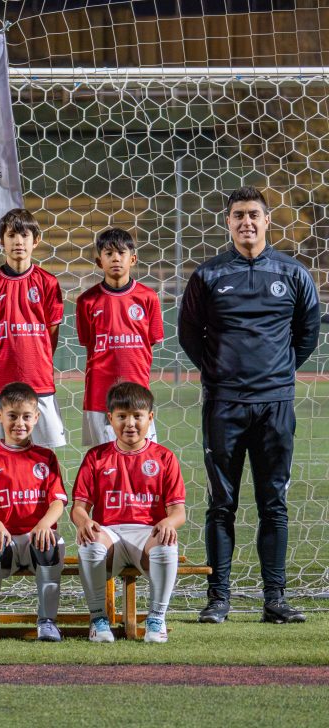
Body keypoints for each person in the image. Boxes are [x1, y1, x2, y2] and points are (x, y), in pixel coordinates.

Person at [179, 185, 320, 625]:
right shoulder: (208, 275)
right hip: (224, 404)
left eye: (254, 214)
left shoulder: (293, 273)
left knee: (273, 503)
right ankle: (218, 599)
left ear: (267, 220)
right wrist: (220, 373)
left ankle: (274, 599)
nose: (246, 222)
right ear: (228, 222)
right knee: (221, 503)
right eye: (238, 215)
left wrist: (278, 373)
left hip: (275, 404)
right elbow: (189, 334)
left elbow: (308, 332)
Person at [71, 382, 185, 643]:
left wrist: (169, 522)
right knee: (89, 541)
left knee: (166, 542)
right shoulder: (96, 457)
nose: (130, 424)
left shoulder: (164, 458)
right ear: (110, 418)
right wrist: (84, 521)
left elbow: (178, 512)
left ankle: (157, 619)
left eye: (137, 416)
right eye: (122, 416)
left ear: (150, 418)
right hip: (110, 535)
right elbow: (78, 508)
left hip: (146, 536)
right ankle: (98, 620)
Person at [0, 382, 67, 642]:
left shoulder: (46, 457)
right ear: (0, 415)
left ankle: (47, 622)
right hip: (5, 541)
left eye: (26, 417)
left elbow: (58, 502)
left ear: (36, 418)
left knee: (49, 544)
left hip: (36, 539)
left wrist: (44, 524)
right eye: (12, 416)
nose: (19, 423)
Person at [0, 208, 66, 449]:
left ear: (35, 241)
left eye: (24, 235)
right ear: (1, 241)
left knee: (44, 453)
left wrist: (38, 357)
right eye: (11, 235)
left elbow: (52, 332)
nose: (18, 241)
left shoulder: (48, 282)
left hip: (39, 380)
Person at [75, 228, 163, 446]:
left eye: (121, 253)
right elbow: (89, 344)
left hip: (138, 396)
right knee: (104, 459)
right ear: (99, 261)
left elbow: (149, 343)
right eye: (108, 253)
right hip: (99, 397)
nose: (115, 258)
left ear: (132, 259)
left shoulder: (148, 298)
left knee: (140, 457)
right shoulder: (86, 301)